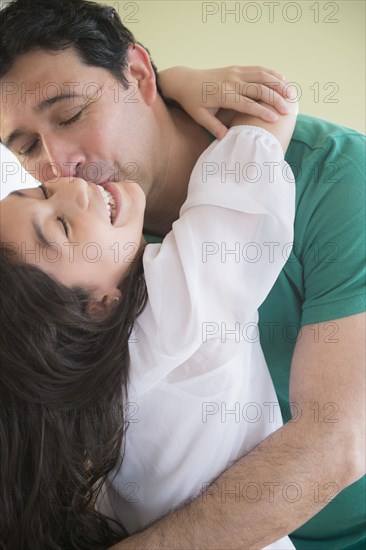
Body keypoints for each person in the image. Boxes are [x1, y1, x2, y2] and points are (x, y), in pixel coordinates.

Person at [0, 1, 364, 549]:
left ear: (138, 74)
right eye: (26, 148)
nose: (60, 168)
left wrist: (171, 80)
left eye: (71, 114)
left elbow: (340, 440)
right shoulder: (92, 266)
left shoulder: (338, 180)